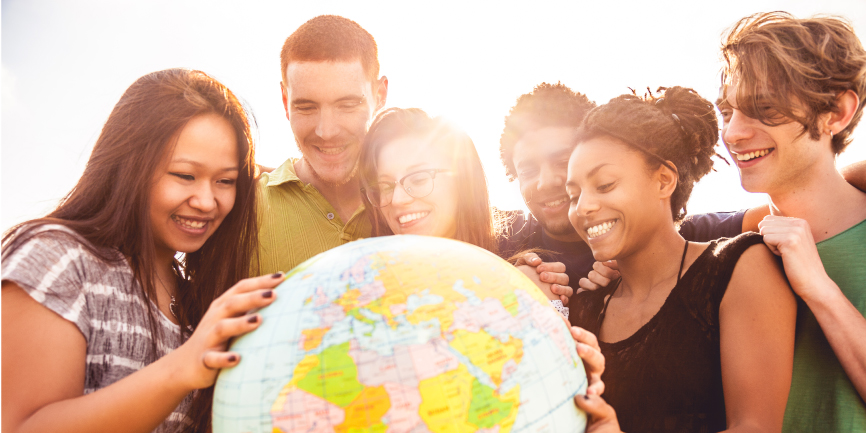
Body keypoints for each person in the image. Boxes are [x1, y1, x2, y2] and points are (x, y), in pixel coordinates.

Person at [2, 69, 283, 433]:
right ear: (129, 167)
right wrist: (180, 369)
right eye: (184, 175)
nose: (206, 201)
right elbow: (22, 427)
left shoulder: (195, 297)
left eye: (225, 181)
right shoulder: (56, 258)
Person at [256, 15, 567, 294]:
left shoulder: (508, 249)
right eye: (306, 106)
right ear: (285, 100)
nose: (327, 131)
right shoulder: (248, 205)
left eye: (347, 105)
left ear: (379, 95)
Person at [567, 87, 796, 432]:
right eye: (573, 194)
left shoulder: (738, 267)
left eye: (604, 184)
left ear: (663, 180)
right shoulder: (585, 308)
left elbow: (757, 427)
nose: (582, 207)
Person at [357, 107, 605, 389]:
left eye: (419, 179)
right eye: (384, 186)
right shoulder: (368, 295)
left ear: (460, 179)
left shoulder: (521, 285)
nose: (398, 199)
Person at [498, 83, 759, 326]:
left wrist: (635, 273)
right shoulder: (502, 240)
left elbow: (778, 216)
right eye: (528, 170)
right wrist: (506, 286)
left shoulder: (668, 237)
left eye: (562, 162)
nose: (546, 182)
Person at [718, 12, 866, 432]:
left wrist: (820, 290)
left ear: (836, 112)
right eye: (727, 110)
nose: (732, 133)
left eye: (763, 108)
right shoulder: (734, 251)